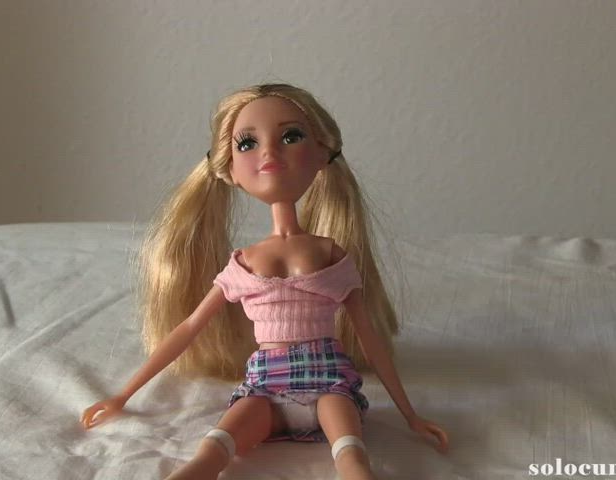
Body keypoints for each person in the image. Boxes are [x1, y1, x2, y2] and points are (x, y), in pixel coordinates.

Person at [80, 83, 448, 480]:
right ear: (230, 170)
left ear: (322, 153)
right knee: (208, 457)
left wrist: (411, 415)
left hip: (329, 383)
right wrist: (123, 395)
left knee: (354, 462)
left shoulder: (330, 253)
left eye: (291, 136)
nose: (269, 153)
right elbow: (189, 328)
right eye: (247, 144)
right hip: (265, 388)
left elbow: (369, 337)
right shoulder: (243, 264)